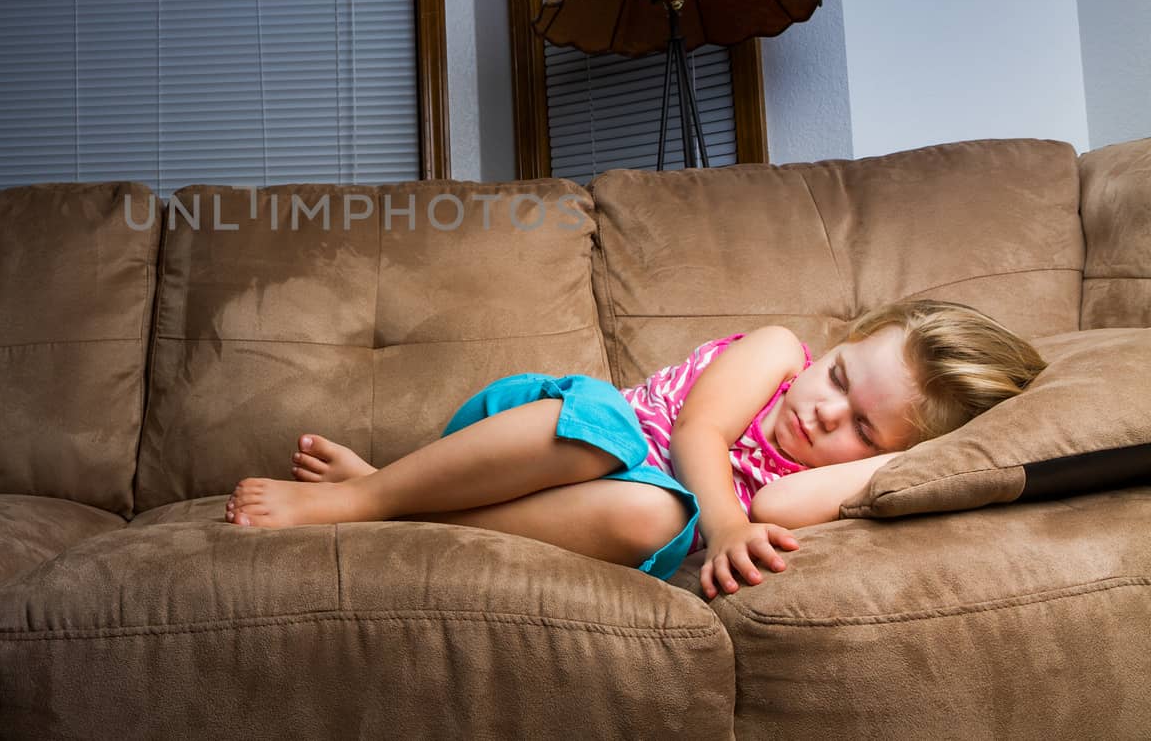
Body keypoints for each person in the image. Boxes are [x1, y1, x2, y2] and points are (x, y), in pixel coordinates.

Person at [223, 299, 1047, 597]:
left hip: (593, 510)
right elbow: (696, 433)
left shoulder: (818, 472)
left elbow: (775, 504)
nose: (828, 414)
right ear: (842, 340)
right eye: (839, 377)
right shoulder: (777, 351)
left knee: (659, 516)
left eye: (864, 428)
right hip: (540, 430)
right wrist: (723, 528)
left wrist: (892, 461)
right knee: (611, 442)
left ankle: (402, 506)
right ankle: (364, 498)